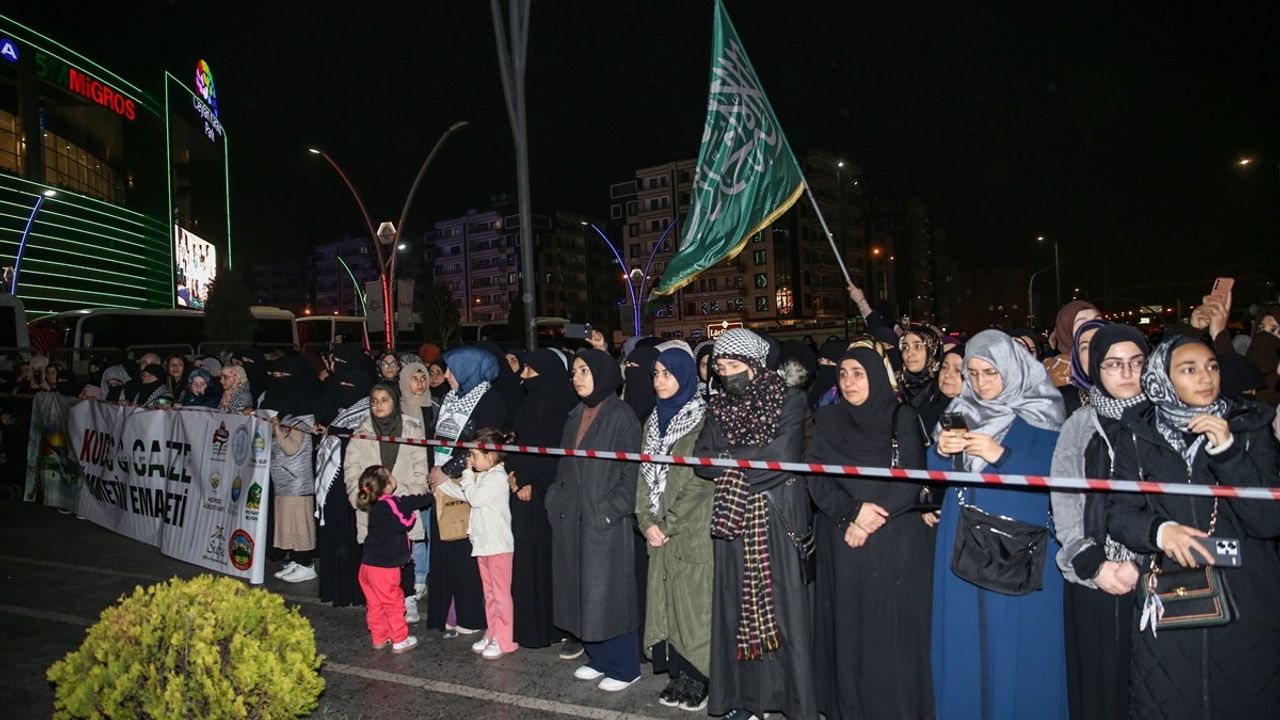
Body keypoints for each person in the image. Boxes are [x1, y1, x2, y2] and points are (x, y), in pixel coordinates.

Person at [1106, 336, 1280, 718]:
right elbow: (1118, 514)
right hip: (1171, 603)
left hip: (1246, 603)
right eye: (1189, 369)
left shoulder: (1250, 426)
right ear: (1160, 380)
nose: (1206, 377)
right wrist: (1160, 531)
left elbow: (1269, 521)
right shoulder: (1137, 435)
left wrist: (1227, 452)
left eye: (1212, 366)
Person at [930, 329, 1068, 719]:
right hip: (962, 540)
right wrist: (940, 451)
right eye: (972, 373)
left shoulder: (1044, 411)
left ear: (1012, 368)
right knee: (964, 641)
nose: (980, 383)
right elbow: (937, 475)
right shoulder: (960, 409)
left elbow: (1058, 475)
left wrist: (1001, 455)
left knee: (1020, 646)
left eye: (990, 372)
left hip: (1019, 546)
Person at [693, 329, 816, 720]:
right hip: (734, 522)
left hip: (777, 521)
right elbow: (700, 460)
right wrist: (746, 457)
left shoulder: (790, 400)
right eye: (721, 366)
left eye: (734, 365)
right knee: (737, 609)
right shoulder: (717, 408)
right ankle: (745, 700)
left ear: (756, 365)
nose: (727, 374)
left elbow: (780, 457)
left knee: (783, 612)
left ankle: (794, 702)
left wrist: (728, 459)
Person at [807, 346, 935, 719]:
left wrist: (870, 520)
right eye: (843, 373)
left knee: (888, 635)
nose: (848, 381)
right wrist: (851, 513)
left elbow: (912, 475)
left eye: (858, 373)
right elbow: (816, 478)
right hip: (842, 539)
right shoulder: (828, 421)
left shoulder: (902, 416)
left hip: (892, 542)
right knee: (847, 630)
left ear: (877, 376)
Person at [1049, 323, 1148, 720]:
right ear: (1096, 370)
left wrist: (1143, 565)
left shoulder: (1165, 419)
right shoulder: (1080, 425)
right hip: (1095, 572)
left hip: (1155, 572)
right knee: (1100, 685)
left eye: (1135, 363)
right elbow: (1066, 500)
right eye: (1113, 364)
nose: (1126, 374)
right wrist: (1094, 565)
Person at [546, 349, 643, 692]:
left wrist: (609, 509)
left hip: (603, 521)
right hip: (572, 517)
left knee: (610, 594)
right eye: (574, 372)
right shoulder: (576, 414)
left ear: (602, 373)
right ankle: (599, 657)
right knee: (581, 591)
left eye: (585, 370)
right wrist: (553, 499)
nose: (578, 378)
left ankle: (625, 665)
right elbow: (561, 466)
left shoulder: (622, 416)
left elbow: (632, 475)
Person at [637, 348, 711, 711]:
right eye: (655, 374)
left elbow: (702, 482)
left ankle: (699, 677)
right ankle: (678, 675)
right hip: (659, 529)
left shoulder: (703, 420)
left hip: (690, 529)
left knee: (694, 606)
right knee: (666, 603)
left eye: (667, 374)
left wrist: (667, 524)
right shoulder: (652, 422)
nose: (660, 381)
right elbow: (642, 476)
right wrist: (645, 520)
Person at [426, 346, 507, 637]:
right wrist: (436, 471)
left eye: (451, 369)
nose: (446, 375)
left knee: (465, 552)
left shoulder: (491, 401)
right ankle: (449, 610)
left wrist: (446, 471)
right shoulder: (452, 398)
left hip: (468, 484)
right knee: (447, 551)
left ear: (469, 368)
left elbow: (481, 444)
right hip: (443, 483)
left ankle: (470, 615)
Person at [506, 349, 577, 650]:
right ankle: (529, 627)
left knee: (545, 562)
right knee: (525, 560)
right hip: (521, 489)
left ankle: (550, 627)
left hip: (545, 495)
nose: (523, 376)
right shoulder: (528, 402)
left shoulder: (562, 406)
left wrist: (533, 483)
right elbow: (517, 440)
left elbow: (558, 452)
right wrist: (512, 473)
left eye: (530, 372)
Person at [345, 385, 430, 622]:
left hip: (401, 505)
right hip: (371, 509)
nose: (379, 405)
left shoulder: (411, 430)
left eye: (384, 400)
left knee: (406, 556)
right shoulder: (361, 432)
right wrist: (361, 496)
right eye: (374, 401)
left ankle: (408, 599)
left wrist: (402, 497)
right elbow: (351, 469)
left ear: (394, 402)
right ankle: (380, 605)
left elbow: (420, 469)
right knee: (377, 561)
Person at [436, 427, 518, 660]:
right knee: (489, 593)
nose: (469, 460)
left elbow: (475, 498)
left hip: (498, 546)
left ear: (490, 456)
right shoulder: (483, 476)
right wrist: (442, 485)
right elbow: (464, 493)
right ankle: (492, 632)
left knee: (501, 595)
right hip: (482, 544)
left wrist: (467, 475)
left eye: (473, 455)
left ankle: (506, 638)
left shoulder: (498, 477)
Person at [314, 359, 376, 608]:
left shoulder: (367, 413)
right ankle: (335, 589)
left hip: (356, 484)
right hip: (333, 486)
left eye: (351, 385)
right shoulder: (339, 413)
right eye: (341, 384)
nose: (344, 388)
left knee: (354, 537)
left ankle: (356, 591)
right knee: (335, 534)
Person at [354, 465, 432, 655]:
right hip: (385, 568)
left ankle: (379, 638)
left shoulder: (376, 505)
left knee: (375, 605)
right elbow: (403, 522)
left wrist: (422, 499)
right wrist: (413, 516)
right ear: (388, 485)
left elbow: (409, 501)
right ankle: (400, 639)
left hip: (367, 566)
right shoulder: (391, 504)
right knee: (394, 603)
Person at [262, 353, 322, 584]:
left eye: (283, 376)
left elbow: (291, 448)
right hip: (285, 481)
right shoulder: (289, 412)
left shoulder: (303, 416)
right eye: (274, 375)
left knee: (300, 523)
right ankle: (297, 560)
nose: (278, 381)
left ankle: (306, 563)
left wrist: (276, 427)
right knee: (288, 523)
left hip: (298, 481)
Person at [399, 360, 436, 600]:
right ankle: (419, 576)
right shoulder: (398, 410)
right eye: (415, 378)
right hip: (409, 479)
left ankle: (430, 574)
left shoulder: (435, 407)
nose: (420, 383)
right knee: (416, 531)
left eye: (423, 378)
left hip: (434, 478)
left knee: (433, 529)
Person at [1044, 301, 1101, 387]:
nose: (1092, 326)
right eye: (1082, 323)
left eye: (1097, 320)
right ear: (1067, 331)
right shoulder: (1058, 371)